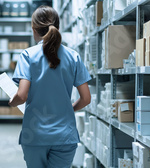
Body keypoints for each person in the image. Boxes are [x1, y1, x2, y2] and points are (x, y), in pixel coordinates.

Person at [8, 5, 92, 168]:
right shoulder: (73, 56)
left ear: (34, 29)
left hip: (35, 136)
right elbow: (86, 98)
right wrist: (69, 109)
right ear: (58, 28)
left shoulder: (27, 55)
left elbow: (22, 95)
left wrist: (13, 102)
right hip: (65, 136)